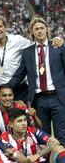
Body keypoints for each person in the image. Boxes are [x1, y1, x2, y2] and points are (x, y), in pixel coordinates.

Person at [7, 16, 65, 145]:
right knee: (43, 137)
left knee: (62, 135)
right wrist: (5, 87)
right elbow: (19, 74)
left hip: (58, 97)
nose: (39, 31)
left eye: (42, 28)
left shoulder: (58, 47)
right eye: (36, 29)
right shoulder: (27, 52)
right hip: (38, 100)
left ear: (47, 29)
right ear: (32, 32)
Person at [0, 108, 65, 162]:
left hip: (40, 161)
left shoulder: (32, 131)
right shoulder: (4, 138)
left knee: (59, 148)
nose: (24, 123)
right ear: (11, 124)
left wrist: (37, 155)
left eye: (25, 120)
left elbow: (55, 142)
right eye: (19, 121)